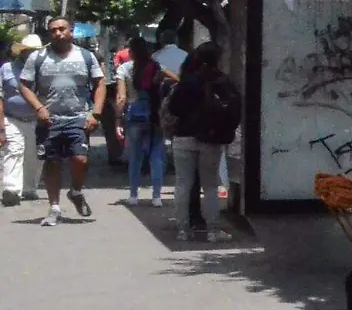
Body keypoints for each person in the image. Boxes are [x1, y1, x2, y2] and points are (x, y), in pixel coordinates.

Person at [18, 18, 106, 226]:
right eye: (53, 31)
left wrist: (96, 113)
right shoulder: (38, 57)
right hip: (50, 120)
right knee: (52, 162)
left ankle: (75, 191)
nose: (58, 33)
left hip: (78, 117)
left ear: (71, 31)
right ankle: (54, 208)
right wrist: (39, 108)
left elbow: (100, 83)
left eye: (62, 29)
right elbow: (24, 85)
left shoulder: (86, 56)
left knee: (80, 159)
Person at [163, 42, 241, 242]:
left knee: (183, 184)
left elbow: (173, 108)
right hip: (211, 139)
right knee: (210, 186)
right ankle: (213, 231)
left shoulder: (188, 81)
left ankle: (183, 229)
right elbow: (234, 110)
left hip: (184, 137)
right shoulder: (222, 82)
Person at [115, 37, 166, 207]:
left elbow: (121, 98)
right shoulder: (156, 67)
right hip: (154, 115)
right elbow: (170, 82)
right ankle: (157, 196)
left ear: (131, 52)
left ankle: (133, 195)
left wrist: (118, 119)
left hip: (134, 115)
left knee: (135, 157)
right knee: (156, 156)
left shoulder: (124, 69)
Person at [1, 34, 43, 206]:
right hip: (12, 118)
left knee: (34, 156)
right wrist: (1, 128)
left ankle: (29, 188)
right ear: (22, 51)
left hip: (37, 120)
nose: (32, 54)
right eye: (30, 51)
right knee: (14, 150)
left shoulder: (44, 69)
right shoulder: (6, 69)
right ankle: (11, 189)